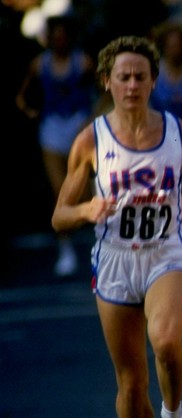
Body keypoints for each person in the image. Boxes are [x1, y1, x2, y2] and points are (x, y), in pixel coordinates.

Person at [50, 35, 182, 418]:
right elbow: (59, 213)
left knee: (166, 340)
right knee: (130, 382)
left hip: (166, 253)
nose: (131, 85)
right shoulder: (91, 140)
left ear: (153, 80)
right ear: (107, 82)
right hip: (115, 261)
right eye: (122, 77)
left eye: (140, 76)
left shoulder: (177, 131)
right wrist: (85, 208)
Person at [16, 14, 97, 277]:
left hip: (78, 126)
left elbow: (102, 90)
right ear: (50, 38)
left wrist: (90, 117)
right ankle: (66, 251)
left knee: (84, 190)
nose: (60, 40)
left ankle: (100, 244)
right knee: (58, 189)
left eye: (64, 35)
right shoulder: (40, 65)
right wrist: (33, 113)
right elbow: (22, 97)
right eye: (56, 35)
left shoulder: (83, 62)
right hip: (52, 128)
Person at [150, 21, 182, 125]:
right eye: (171, 46)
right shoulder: (154, 72)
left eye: (178, 46)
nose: (175, 50)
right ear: (164, 47)